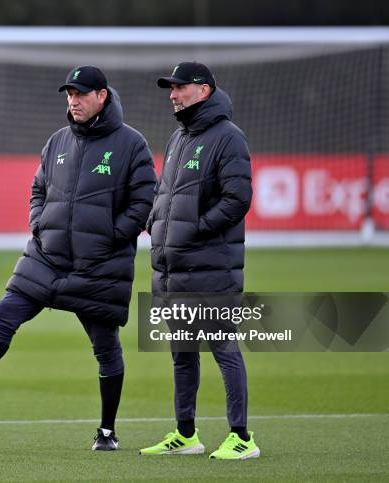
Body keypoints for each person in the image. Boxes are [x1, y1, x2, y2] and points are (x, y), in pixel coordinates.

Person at [0, 65, 157, 451]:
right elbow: (38, 188)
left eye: (81, 93)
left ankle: (106, 431)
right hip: (46, 258)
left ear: (102, 96)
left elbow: (144, 199)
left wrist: (113, 236)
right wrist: (38, 222)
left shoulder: (131, 144)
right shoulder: (57, 141)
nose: (73, 100)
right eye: (69, 93)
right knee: (4, 314)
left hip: (98, 266)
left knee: (105, 349)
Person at [139, 62, 260, 459]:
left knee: (224, 348)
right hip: (174, 269)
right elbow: (166, 197)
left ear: (203, 90)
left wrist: (193, 230)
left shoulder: (228, 137)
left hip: (211, 268)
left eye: (179, 87)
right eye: (170, 89)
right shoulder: (178, 138)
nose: (172, 94)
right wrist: (156, 225)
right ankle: (186, 434)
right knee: (182, 354)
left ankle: (242, 437)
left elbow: (237, 199)